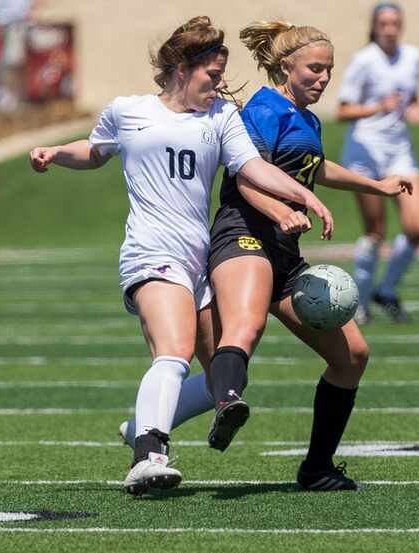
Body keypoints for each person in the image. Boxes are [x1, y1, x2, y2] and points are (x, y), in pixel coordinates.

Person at [29, 16, 333, 496]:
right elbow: (94, 150)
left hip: (198, 258)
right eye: (212, 76)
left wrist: (306, 196)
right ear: (181, 69)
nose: (219, 86)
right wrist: (53, 153)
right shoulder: (128, 111)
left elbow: (253, 168)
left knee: (225, 379)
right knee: (171, 353)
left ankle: (142, 423)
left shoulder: (221, 119)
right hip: (152, 252)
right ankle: (148, 454)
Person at [119, 20, 411, 492]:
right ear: (286, 65)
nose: (323, 78)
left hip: (285, 252)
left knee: (353, 355)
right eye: (314, 69)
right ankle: (227, 404)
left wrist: (374, 184)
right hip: (243, 236)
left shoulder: (308, 118)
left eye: (329, 70)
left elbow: (316, 167)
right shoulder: (262, 109)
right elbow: (246, 177)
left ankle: (316, 467)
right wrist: (281, 210)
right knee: (246, 327)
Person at [337, 2, 419, 324]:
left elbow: (411, 97)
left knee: (417, 228)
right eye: (384, 23)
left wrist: (415, 109)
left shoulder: (412, 57)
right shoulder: (364, 60)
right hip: (365, 151)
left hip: (399, 151)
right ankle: (358, 303)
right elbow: (342, 111)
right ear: (375, 26)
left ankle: (386, 289)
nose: (390, 28)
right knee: (375, 231)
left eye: (395, 23)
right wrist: (378, 107)